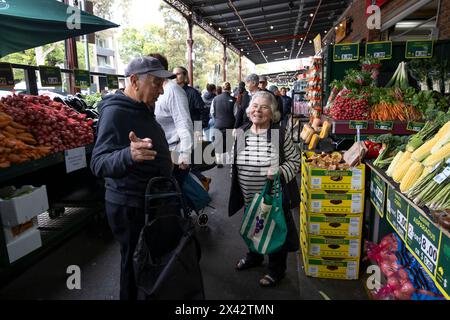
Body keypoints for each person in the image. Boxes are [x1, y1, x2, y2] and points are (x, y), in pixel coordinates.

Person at [90, 56, 176, 300]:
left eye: (162, 84)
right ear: (134, 81)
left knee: (146, 261)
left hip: (148, 200)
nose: (161, 90)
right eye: (156, 83)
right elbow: (98, 163)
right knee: (132, 263)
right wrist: (129, 154)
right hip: (129, 205)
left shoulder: (141, 107)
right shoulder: (116, 112)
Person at [228, 90, 300, 287]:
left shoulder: (279, 133)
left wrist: (279, 170)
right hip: (249, 196)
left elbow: (295, 161)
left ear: (273, 113)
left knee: (275, 232)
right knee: (253, 226)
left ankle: (277, 270)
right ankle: (255, 257)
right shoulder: (241, 132)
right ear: (249, 109)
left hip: (273, 197)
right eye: (254, 106)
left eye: (264, 107)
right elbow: (234, 161)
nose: (257, 110)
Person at [151, 54, 193, 185]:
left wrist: (185, 154)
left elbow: (184, 122)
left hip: (174, 154)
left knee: (175, 197)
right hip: (159, 154)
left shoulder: (173, 90)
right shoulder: (151, 90)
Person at [211, 82, 235, 167]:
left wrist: (217, 119)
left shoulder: (216, 99)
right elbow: (235, 113)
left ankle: (219, 161)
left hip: (218, 124)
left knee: (218, 143)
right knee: (229, 143)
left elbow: (212, 112)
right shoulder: (233, 99)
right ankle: (229, 161)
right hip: (230, 124)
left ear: (223, 88)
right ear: (230, 89)